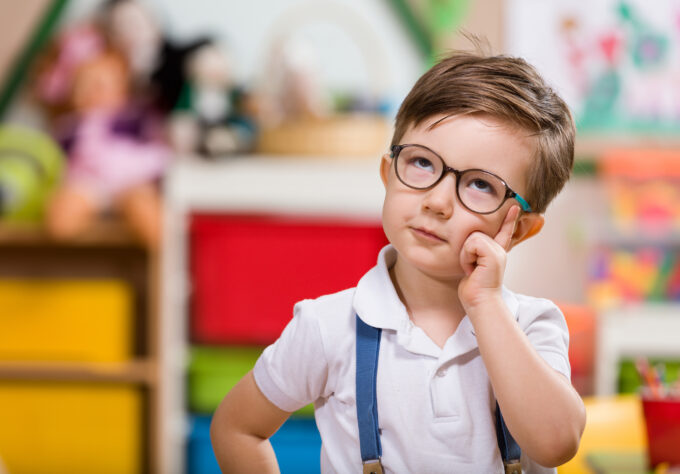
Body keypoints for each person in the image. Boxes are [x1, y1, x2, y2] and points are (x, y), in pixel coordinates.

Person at [210, 48, 586, 473]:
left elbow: (557, 443)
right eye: (422, 162)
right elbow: (236, 427)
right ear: (389, 174)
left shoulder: (532, 326)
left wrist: (486, 304)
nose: (438, 201)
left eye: (480, 184)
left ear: (518, 229)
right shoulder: (328, 327)